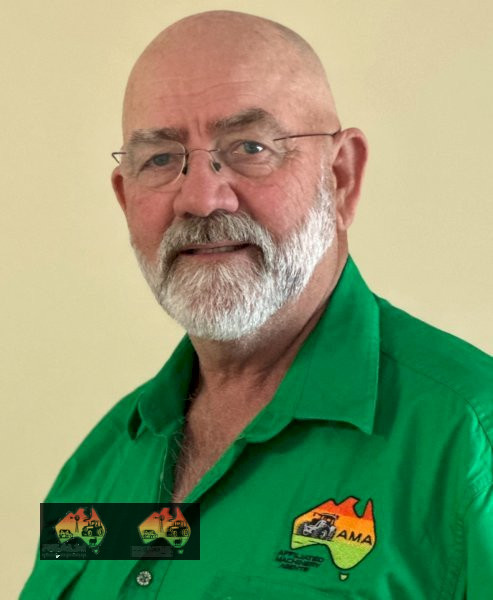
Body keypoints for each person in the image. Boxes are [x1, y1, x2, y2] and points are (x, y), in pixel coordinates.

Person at [22, 10, 492, 599]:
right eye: (161, 159)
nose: (201, 199)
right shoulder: (100, 465)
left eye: (249, 147)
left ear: (341, 177)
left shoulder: (470, 442)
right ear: (125, 197)